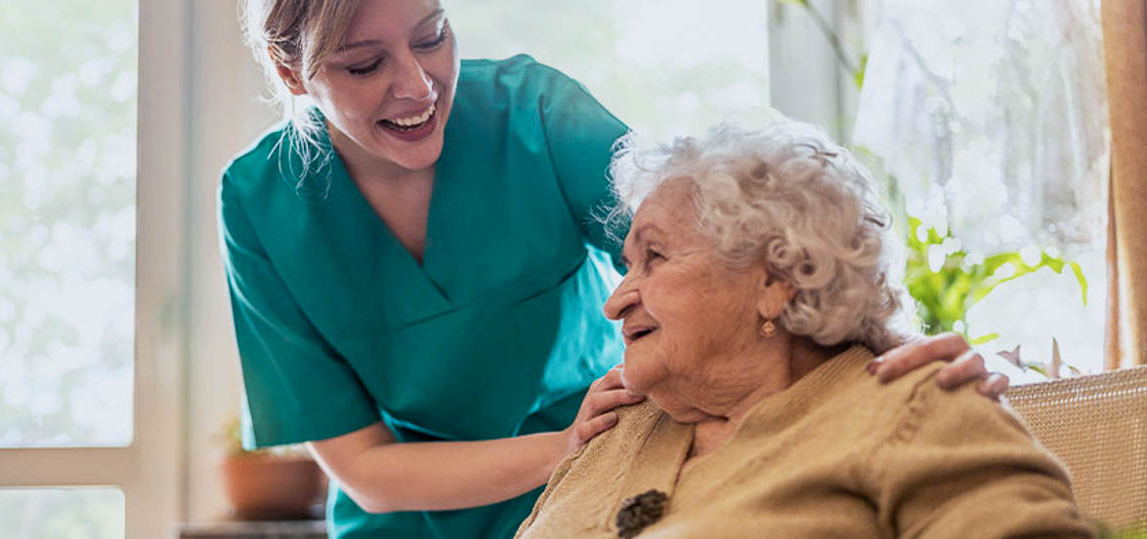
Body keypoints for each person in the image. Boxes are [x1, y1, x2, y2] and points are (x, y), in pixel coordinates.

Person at [221, 1, 1009, 537]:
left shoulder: (533, 114)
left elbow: (726, 257)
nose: (418, 85)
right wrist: (564, 449)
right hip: (430, 508)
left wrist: (895, 350)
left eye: (431, 33)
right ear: (294, 75)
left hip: (610, 467)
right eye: (364, 65)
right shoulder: (259, 206)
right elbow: (367, 469)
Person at [514, 121, 1092, 538]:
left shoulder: (912, 405)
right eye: (626, 267)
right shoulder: (615, 428)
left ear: (778, 278)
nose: (615, 303)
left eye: (655, 258)